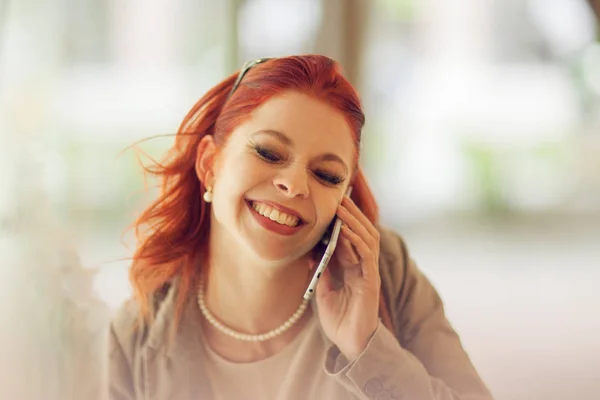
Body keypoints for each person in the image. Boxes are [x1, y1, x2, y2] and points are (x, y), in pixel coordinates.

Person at [108, 55, 494, 400]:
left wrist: (367, 348)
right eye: (268, 153)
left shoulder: (387, 273)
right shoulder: (135, 337)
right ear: (210, 164)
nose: (294, 185)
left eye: (326, 175)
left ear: (344, 197)